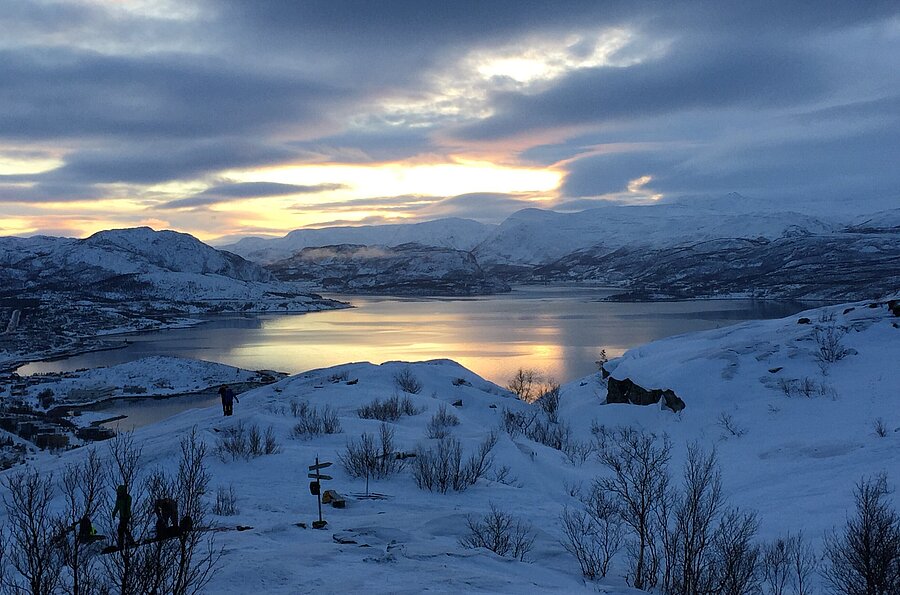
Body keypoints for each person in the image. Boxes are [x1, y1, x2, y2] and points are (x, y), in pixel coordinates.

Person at [112, 484, 133, 548]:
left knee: (121, 530)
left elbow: (128, 504)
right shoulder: (119, 499)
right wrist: (113, 514)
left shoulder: (127, 498)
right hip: (122, 516)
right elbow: (117, 507)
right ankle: (129, 541)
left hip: (126, 516)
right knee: (123, 529)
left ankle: (122, 544)